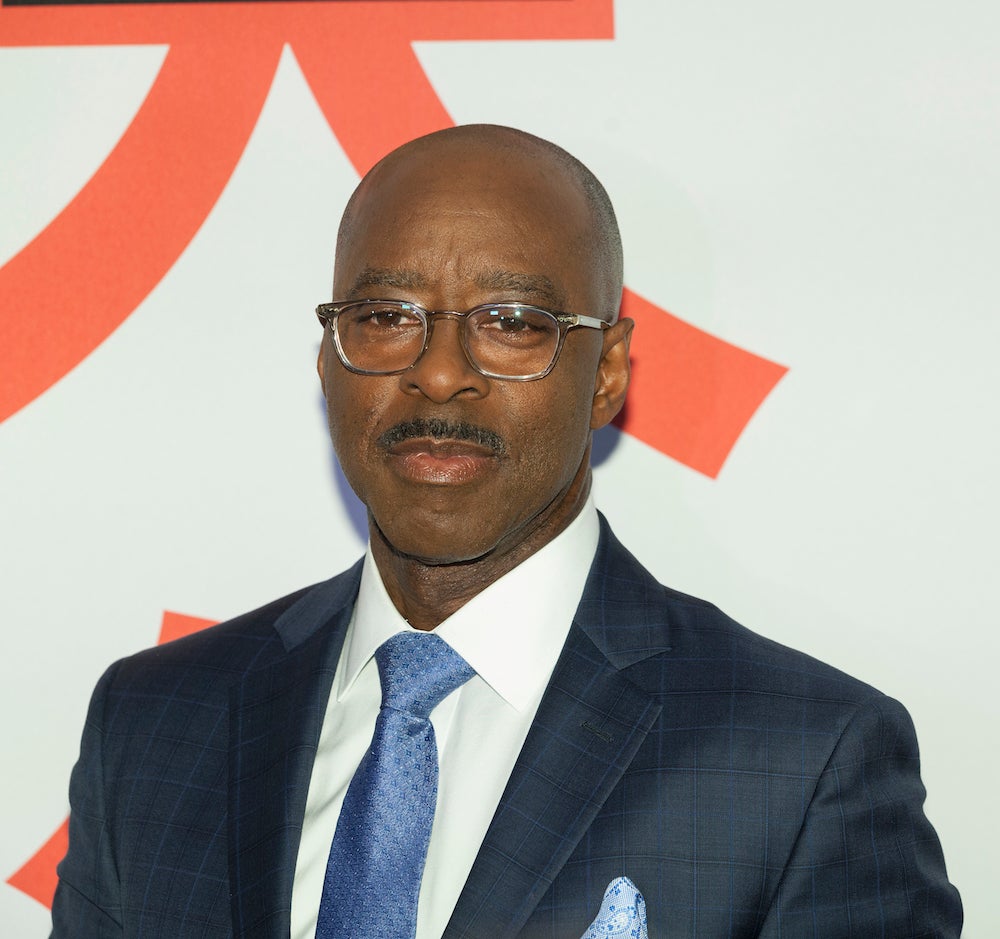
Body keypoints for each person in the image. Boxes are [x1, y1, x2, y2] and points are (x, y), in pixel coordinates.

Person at [51, 124, 961, 938]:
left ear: (607, 373)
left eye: (513, 323)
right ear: (327, 357)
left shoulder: (801, 761)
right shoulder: (156, 721)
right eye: (386, 316)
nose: (440, 372)